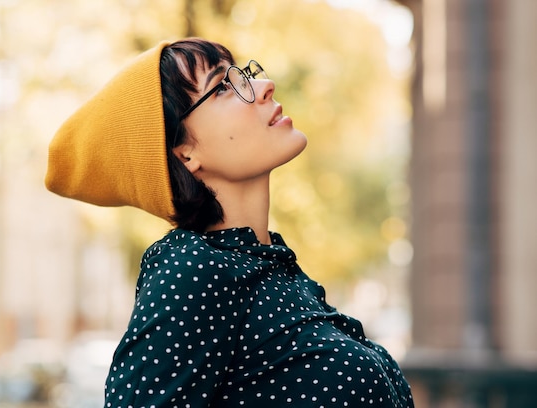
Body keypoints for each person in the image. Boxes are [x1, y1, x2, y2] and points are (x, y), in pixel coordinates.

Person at [45, 38, 414, 407]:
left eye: (244, 74)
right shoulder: (191, 270)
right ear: (185, 152)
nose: (264, 86)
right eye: (222, 87)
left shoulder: (275, 270)